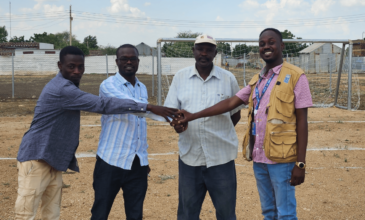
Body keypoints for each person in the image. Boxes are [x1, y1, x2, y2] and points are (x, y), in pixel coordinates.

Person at [15, 46, 177, 220]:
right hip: (37, 157)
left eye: (80, 67)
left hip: (52, 159)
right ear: (60, 65)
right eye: (71, 66)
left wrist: (143, 156)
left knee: (51, 213)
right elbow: (103, 105)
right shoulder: (64, 89)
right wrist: (152, 107)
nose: (77, 71)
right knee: (25, 213)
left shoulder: (140, 87)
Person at [177, 28, 313, 220]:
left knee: (286, 214)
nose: (266, 47)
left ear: (281, 46)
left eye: (271, 42)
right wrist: (192, 116)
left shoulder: (297, 76)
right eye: (262, 44)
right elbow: (230, 103)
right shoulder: (258, 79)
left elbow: (302, 121)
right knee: (268, 212)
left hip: (282, 159)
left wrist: (300, 163)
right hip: (259, 158)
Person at [164, 34, 242, 220]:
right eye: (200, 49)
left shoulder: (228, 78)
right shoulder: (180, 77)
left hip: (221, 158)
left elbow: (236, 114)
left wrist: (219, 132)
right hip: (190, 158)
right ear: (193, 51)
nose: (204, 53)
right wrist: (177, 126)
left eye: (209, 49)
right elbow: (173, 113)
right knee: (187, 214)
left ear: (215, 53)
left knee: (226, 214)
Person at [91, 44, 169, 219]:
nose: (128, 62)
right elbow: (127, 104)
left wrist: (171, 119)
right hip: (110, 160)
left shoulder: (142, 87)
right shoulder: (108, 85)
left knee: (135, 214)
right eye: (124, 59)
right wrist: (155, 109)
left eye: (132, 58)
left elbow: (141, 119)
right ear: (117, 61)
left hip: (137, 163)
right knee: (100, 212)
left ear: (138, 61)